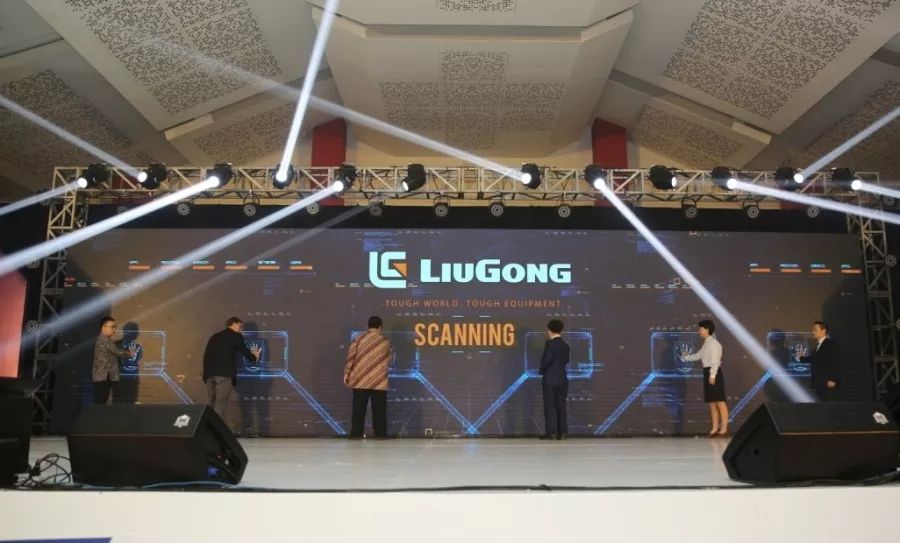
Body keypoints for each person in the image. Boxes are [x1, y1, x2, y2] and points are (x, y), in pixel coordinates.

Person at [202, 317, 260, 422]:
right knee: (220, 404)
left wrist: (205, 376)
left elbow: (206, 355)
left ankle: (209, 428)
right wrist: (254, 357)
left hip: (209, 375)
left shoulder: (214, 336)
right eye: (239, 326)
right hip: (223, 375)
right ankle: (216, 430)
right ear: (233, 324)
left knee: (212, 403)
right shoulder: (236, 336)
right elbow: (244, 351)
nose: (240, 329)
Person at [344, 316, 392, 439]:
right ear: (380, 327)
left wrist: (346, 374)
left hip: (360, 380)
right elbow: (389, 362)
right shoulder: (385, 342)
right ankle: (380, 435)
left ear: (368, 326)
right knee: (379, 412)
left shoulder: (358, 340)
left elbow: (350, 358)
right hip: (379, 381)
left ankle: (356, 434)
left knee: (358, 410)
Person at [682, 320, 728, 437]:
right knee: (712, 403)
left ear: (707, 329)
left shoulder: (714, 344)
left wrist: (712, 375)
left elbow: (715, 361)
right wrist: (686, 357)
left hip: (714, 373)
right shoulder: (706, 343)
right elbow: (698, 355)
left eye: (701, 329)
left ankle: (724, 429)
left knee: (720, 402)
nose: (699, 331)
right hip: (707, 372)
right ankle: (714, 428)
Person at [538, 319, 570, 440]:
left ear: (549, 330)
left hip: (550, 379)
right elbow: (566, 361)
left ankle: (551, 432)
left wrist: (541, 370)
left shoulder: (550, 344)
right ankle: (562, 432)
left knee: (550, 405)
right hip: (563, 379)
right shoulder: (566, 345)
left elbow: (547, 360)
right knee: (561, 405)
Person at [92, 316, 134, 405]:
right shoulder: (104, 339)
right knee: (100, 402)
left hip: (104, 377)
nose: (114, 329)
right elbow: (117, 351)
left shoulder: (105, 340)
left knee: (101, 402)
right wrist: (129, 354)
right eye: (112, 327)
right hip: (103, 377)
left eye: (115, 327)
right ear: (104, 327)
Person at [801, 320, 841, 401]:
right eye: (813, 330)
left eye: (815, 330)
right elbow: (817, 359)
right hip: (820, 383)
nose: (813, 332)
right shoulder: (820, 345)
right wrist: (802, 358)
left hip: (826, 383)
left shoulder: (829, 344)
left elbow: (836, 362)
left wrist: (833, 379)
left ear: (824, 331)